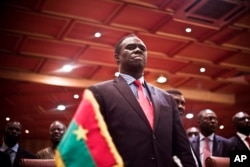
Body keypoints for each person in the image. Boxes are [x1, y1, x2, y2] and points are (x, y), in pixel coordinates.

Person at [87, 34, 196, 167]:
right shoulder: (99, 92)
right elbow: (90, 144)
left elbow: (182, 147)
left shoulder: (166, 98)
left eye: (142, 49)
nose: (138, 50)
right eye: (131, 47)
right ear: (117, 57)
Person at [167, 89, 201, 167]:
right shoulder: (160, 130)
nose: (180, 106)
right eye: (176, 102)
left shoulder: (181, 130)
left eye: (183, 103)